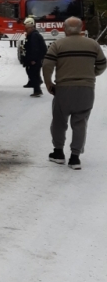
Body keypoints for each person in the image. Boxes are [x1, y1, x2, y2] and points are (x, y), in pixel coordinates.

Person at [43, 17, 106, 169]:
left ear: (64, 29)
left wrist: (49, 83)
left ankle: (58, 153)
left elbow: (47, 65)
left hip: (64, 89)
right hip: (86, 90)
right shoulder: (93, 44)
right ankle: (75, 158)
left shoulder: (57, 45)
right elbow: (103, 64)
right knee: (80, 123)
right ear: (81, 28)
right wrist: (91, 74)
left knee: (59, 122)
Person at [22, 17, 47, 97]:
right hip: (36, 59)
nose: (26, 30)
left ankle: (37, 90)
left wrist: (33, 59)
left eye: (27, 28)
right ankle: (37, 86)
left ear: (31, 27)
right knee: (32, 73)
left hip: (35, 59)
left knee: (34, 74)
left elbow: (35, 49)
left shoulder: (34, 36)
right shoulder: (33, 35)